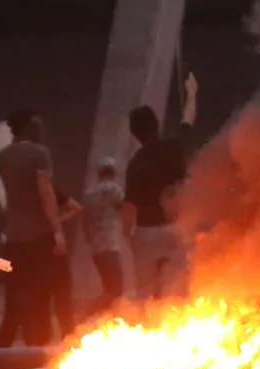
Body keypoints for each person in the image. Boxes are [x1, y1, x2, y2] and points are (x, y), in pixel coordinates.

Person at [123, 72, 198, 302]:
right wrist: (192, 93)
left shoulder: (135, 164)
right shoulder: (174, 147)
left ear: (134, 134)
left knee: (145, 291)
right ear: (157, 125)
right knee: (178, 289)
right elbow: (187, 121)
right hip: (175, 227)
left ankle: (148, 328)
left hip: (146, 231)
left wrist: (128, 235)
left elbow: (128, 205)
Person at [0, 107, 65, 348]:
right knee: (41, 295)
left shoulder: (2, 156)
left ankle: (2, 350)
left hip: (13, 235)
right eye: (37, 124)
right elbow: (45, 192)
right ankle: (38, 348)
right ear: (28, 126)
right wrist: (57, 230)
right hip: (38, 236)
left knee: (14, 297)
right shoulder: (39, 153)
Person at [82, 157, 126, 318]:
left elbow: (84, 224)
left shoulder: (89, 195)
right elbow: (125, 208)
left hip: (96, 249)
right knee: (116, 289)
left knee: (109, 287)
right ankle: (88, 316)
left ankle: (104, 319)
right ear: (112, 173)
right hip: (110, 246)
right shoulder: (115, 190)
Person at [50, 190, 82, 338]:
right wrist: (58, 221)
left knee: (59, 297)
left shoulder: (51, 192)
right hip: (52, 249)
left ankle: (66, 336)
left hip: (46, 249)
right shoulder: (50, 191)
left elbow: (76, 208)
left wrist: (57, 221)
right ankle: (67, 336)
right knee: (62, 296)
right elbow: (76, 207)